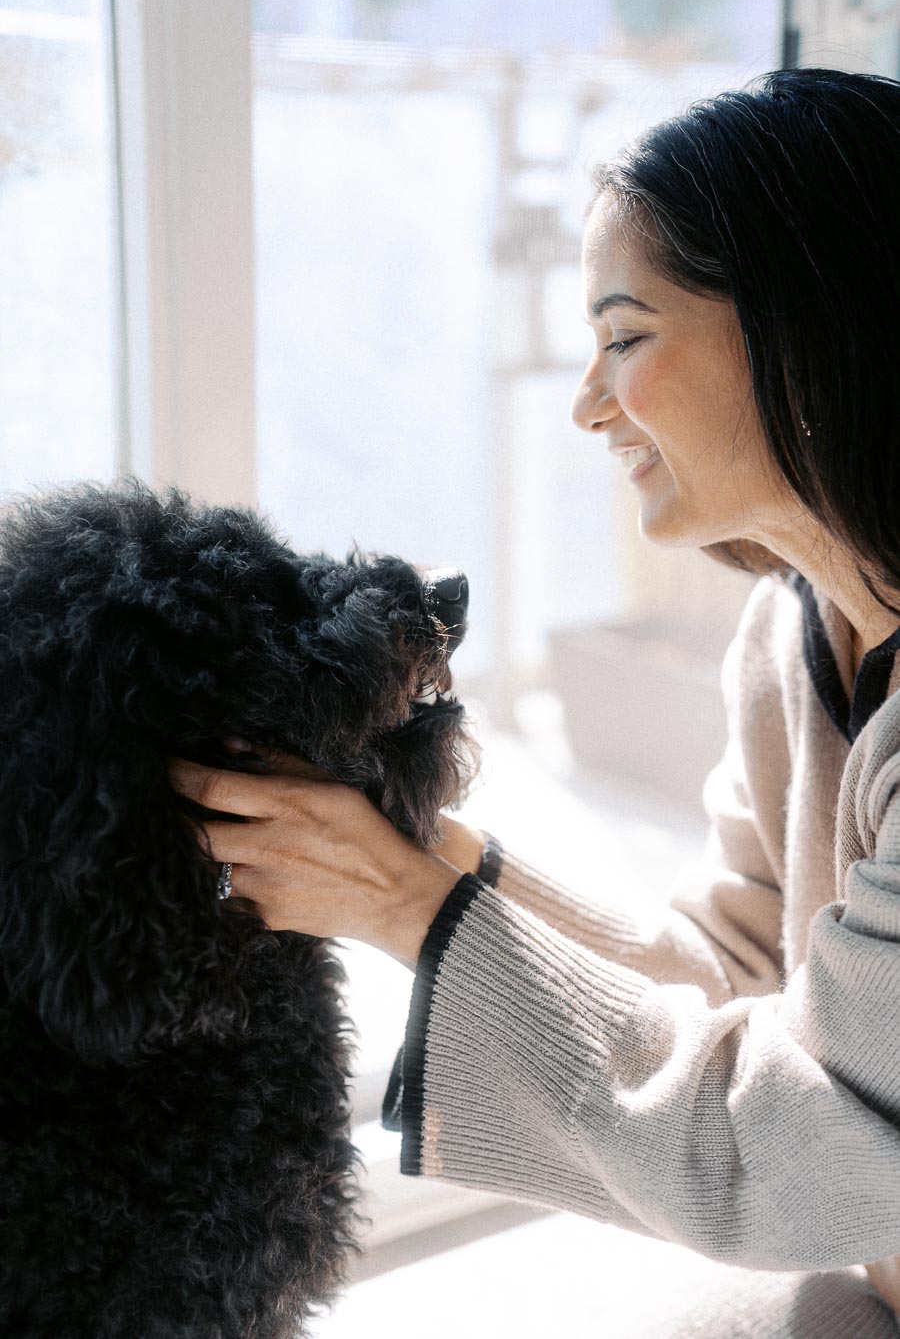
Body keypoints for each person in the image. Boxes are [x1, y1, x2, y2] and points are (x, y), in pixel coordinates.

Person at [168, 68, 900, 1337]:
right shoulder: (792, 636)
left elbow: (820, 1154)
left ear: (804, 321)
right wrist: (419, 854)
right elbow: (741, 973)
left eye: (625, 336)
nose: (585, 400)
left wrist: (413, 910)